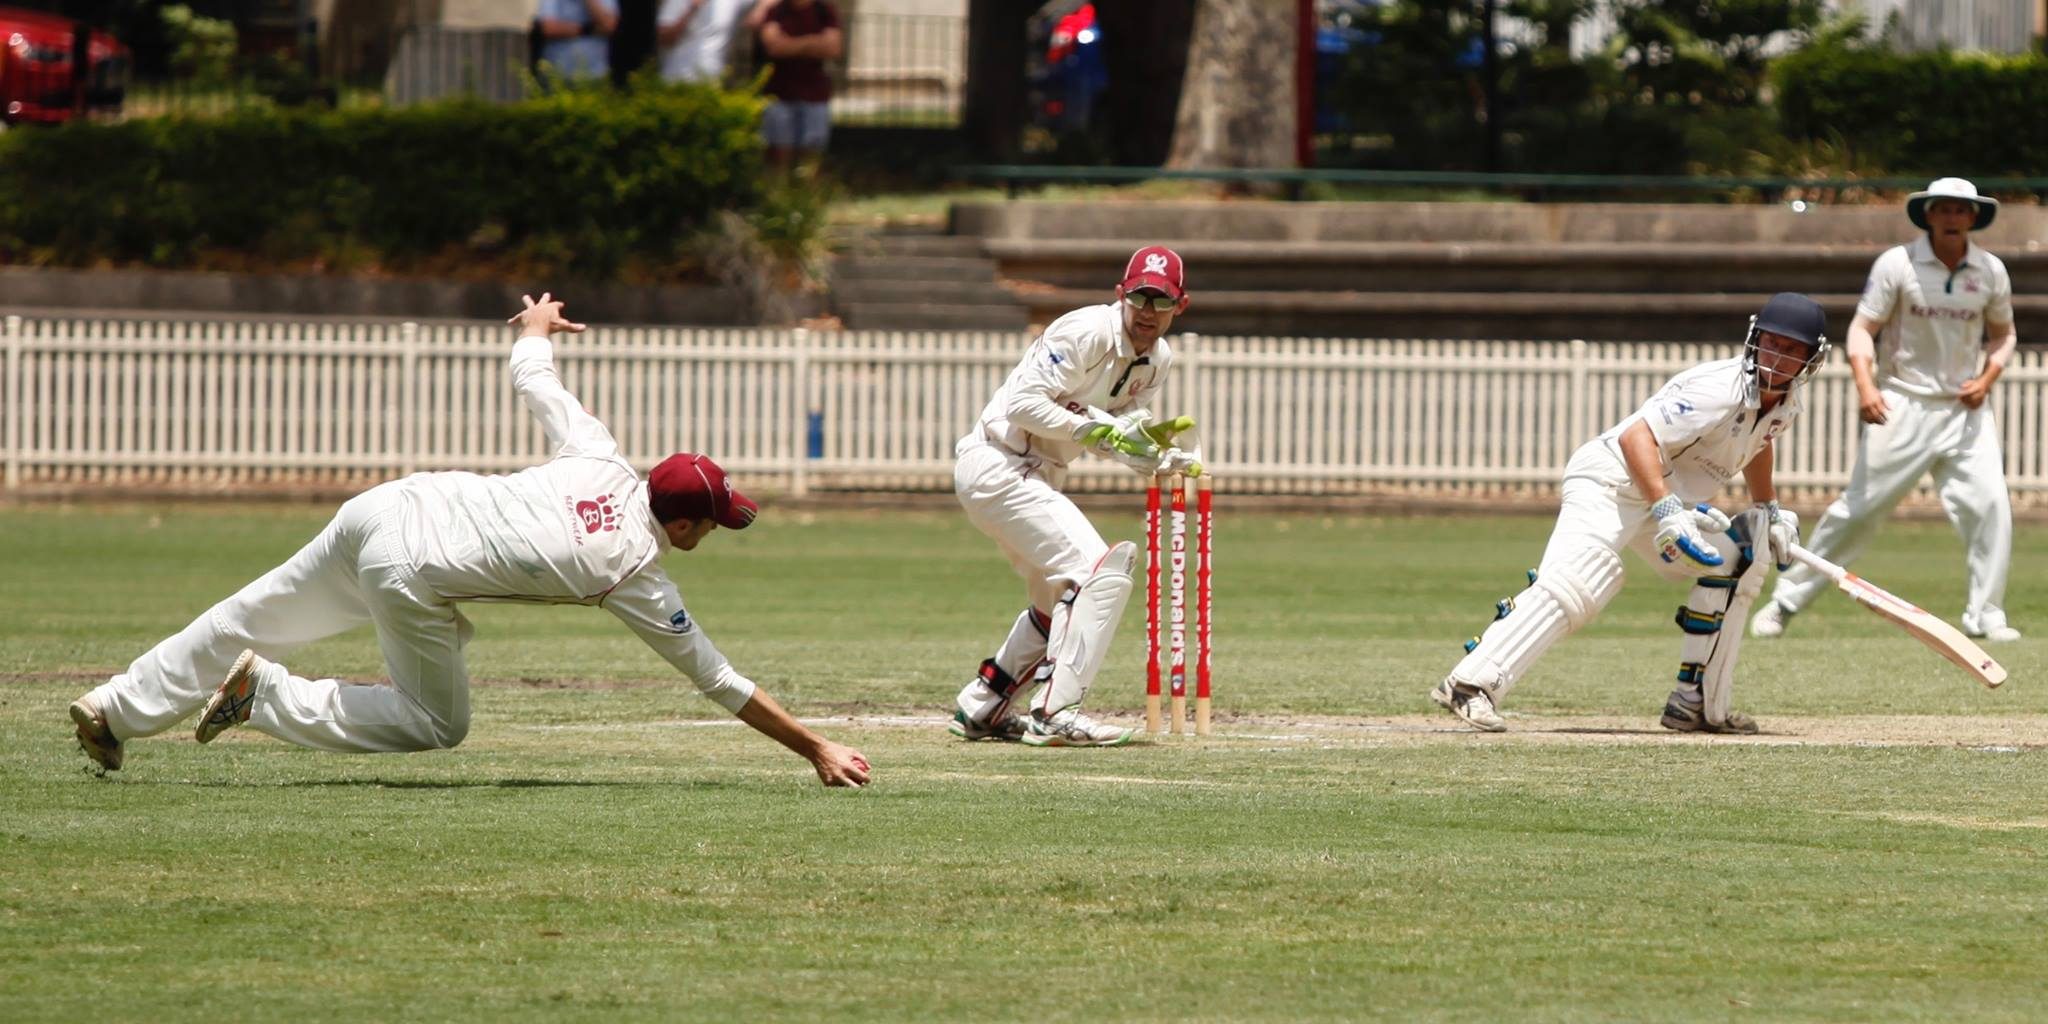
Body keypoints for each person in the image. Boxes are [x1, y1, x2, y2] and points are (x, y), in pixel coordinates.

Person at [67, 294, 871, 788]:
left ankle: (113, 708)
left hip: (389, 503)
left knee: (249, 613)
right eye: (716, 522)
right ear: (687, 525)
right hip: (410, 568)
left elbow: (537, 381)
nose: (717, 532)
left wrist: (534, 325)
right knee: (435, 724)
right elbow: (719, 679)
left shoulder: (600, 456)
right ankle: (268, 696)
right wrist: (814, 747)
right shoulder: (632, 572)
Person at [1434, 294, 1832, 734]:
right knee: (1583, 578)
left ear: (1811, 358)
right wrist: (1666, 508)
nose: (1777, 357)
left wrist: (1768, 509)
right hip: (1612, 481)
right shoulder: (1719, 388)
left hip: (1665, 501)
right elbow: (1637, 438)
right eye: (1772, 343)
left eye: (1792, 349)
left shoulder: (1786, 404)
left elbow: (1759, 443)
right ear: (1755, 339)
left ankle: (1694, 703)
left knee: (1738, 560)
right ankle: (1471, 684)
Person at [948, 246, 1203, 748]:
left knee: (1052, 602)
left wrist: (1156, 457)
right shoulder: (1083, 330)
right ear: (1120, 296)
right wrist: (1098, 433)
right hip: (999, 463)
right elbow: (1023, 404)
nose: (1148, 312)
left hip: (1039, 477)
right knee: (1100, 572)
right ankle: (1056, 711)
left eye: (1161, 301)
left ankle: (983, 706)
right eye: (1140, 298)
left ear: (1181, 305)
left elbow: (1117, 433)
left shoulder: (1157, 360)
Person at [1753, 178, 2022, 644]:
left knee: (1992, 506)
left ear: (1974, 217)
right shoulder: (1898, 263)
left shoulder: (1991, 270)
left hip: (1965, 409)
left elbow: (2004, 334)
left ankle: (1986, 613)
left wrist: (1986, 378)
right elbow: (1862, 329)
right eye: (1945, 209)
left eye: (1963, 210)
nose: (1954, 217)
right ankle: (1785, 602)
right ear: (1929, 215)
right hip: (1902, 401)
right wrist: (1866, 387)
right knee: (1858, 511)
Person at [744, 0, 842, 172]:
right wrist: (814, 42)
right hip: (778, 93)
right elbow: (774, 47)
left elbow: (833, 48)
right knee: (777, 155)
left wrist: (790, 43)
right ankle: (780, 195)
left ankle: (804, 196)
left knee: (811, 155)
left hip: (815, 93)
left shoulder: (823, 11)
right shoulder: (776, 11)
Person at [657, 0, 745, 83]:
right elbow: (664, 39)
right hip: (676, 80)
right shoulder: (677, 2)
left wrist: (758, 12)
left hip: (712, 81)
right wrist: (692, 8)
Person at [536, 0, 619, 80]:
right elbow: (548, 29)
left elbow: (608, 25)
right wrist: (588, 30)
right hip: (557, 74)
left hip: (594, 73)